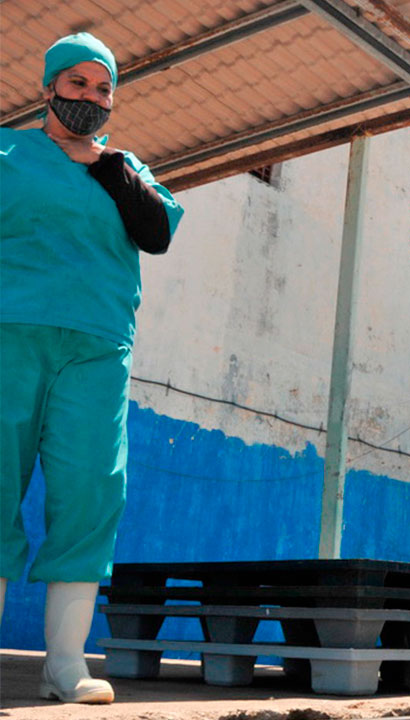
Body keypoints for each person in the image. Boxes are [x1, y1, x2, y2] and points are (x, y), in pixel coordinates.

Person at [0, 33, 184, 704]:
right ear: (47, 87)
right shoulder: (6, 152)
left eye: (103, 88)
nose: (91, 97)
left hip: (95, 348)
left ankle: (65, 664)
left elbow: (157, 233)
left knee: (89, 492)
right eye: (77, 84)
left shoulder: (125, 167)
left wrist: (104, 165)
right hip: (6, 336)